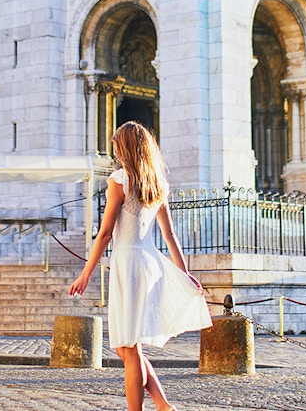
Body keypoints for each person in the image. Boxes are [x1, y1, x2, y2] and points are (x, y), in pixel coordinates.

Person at [69, 122, 212, 411]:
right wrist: (184, 274)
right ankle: (163, 405)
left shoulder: (120, 180)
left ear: (125, 149)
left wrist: (86, 273)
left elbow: (106, 232)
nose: (116, 152)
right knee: (126, 346)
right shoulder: (156, 182)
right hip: (149, 263)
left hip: (129, 265)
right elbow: (170, 235)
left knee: (130, 347)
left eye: (117, 146)